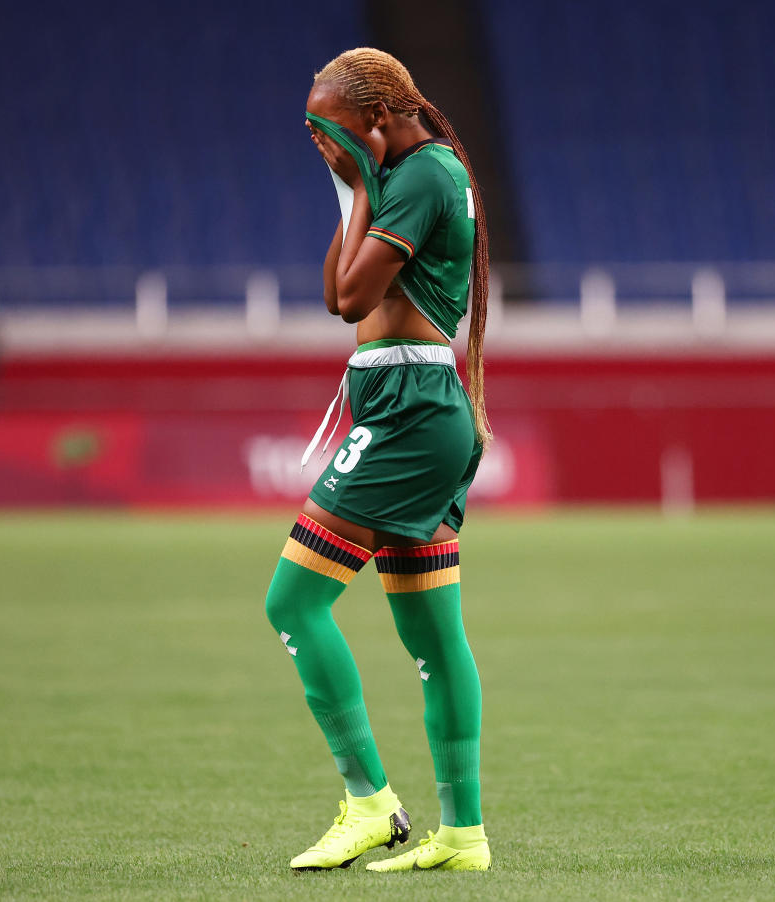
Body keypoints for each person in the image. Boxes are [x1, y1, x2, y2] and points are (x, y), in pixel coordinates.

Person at [263, 48, 492, 872]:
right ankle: (462, 837)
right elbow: (337, 295)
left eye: (327, 131)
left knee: (292, 600)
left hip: (407, 412)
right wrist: (355, 188)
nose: (318, 143)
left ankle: (370, 804)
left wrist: (361, 183)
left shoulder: (423, 175)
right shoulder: (411, 175)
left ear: (375, 121)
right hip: (412, 406)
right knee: (431, 633)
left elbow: (355, 300)